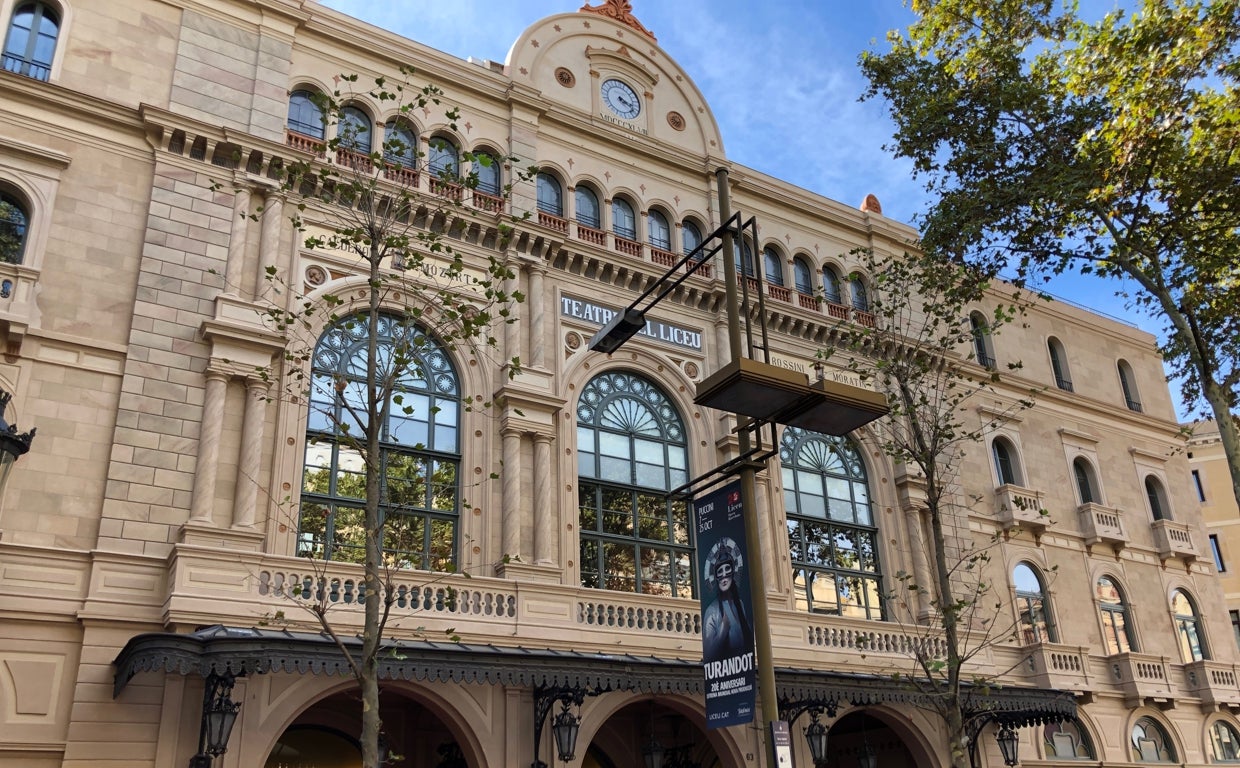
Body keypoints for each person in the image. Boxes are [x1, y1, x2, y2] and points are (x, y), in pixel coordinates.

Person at [702, 546, 753, 661]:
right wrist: (723, 629)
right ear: (716, 577)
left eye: (727, 570)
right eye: (720, 572)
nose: (724, 577)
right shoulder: (711, 611)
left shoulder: (740, 604)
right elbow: (709, 654)